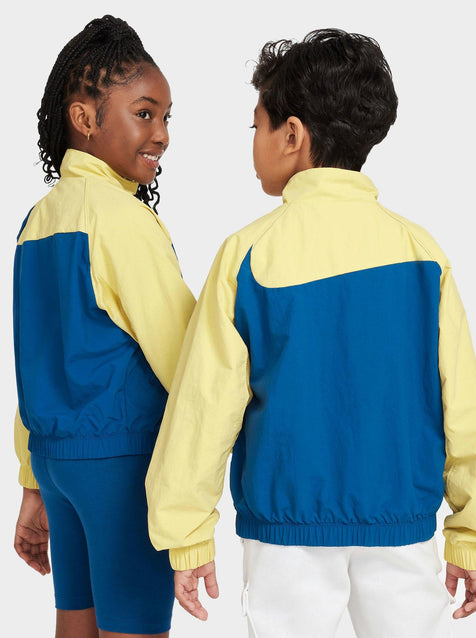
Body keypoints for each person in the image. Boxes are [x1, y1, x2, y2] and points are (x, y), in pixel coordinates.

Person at [145, 28, 476, 637]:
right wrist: (473, 533)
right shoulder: (422, 255)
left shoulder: (248, 255)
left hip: (286, 536)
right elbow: (461, 405)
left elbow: (204, 405)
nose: (253, 141)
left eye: (256, 126)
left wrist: (187, 531)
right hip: (401, 526)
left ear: (292, 135)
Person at [13, 15, 195, 638]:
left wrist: (32, 484)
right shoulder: (121, 220)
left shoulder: (36, 222)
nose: (161, 134)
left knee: (76, 620)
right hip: (120, 465)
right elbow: (187, 360)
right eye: (145, 114)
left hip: (58, 465)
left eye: (166, 117)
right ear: (85, 118)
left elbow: (33, 365)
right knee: (134, 626)